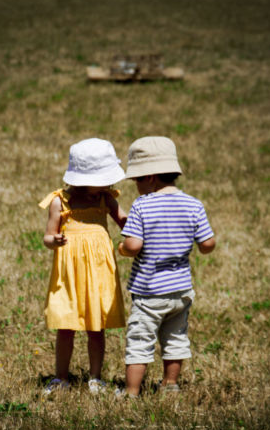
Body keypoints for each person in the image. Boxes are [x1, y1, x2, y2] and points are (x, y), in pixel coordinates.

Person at [117, 136, 215, 397]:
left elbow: (134, 245)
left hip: (149, 292)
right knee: (175, 338)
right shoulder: (194, 204)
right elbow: (207, 243)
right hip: (181, 291)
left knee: (140, 341)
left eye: (137, 179)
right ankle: (170, 385)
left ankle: (131, 392)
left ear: (150, 177)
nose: (136, 185)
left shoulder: (142, 205)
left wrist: (123, 248)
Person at [39, 138, 127, 395]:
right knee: (65, 325)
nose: (109, 184)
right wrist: (53, 240)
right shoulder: (60, 201)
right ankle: (61, 377)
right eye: (104, 179)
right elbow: (47, 236)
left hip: (99, 272)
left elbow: (126, 222)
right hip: (69, 275)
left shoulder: (106, 199)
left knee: (96, 327)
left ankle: (95, 378)